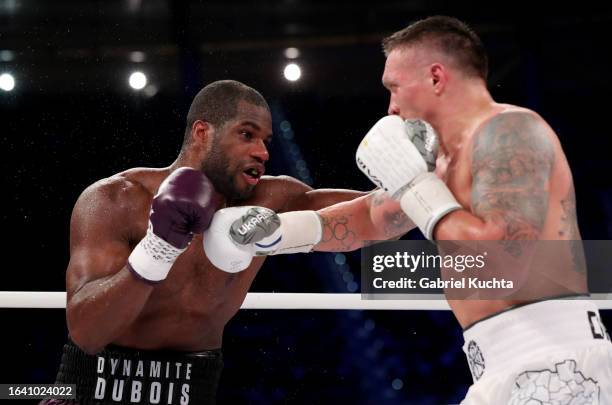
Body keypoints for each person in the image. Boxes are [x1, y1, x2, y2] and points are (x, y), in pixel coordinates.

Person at [208, 16, 612, 404]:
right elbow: (368, 218)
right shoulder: (438, 164)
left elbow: (503, 264)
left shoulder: (510, 134)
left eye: (395, 87)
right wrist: (276, 232)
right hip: (499, 367)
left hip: (558, 367)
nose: (391, 108)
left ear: (436, 78)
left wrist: (418, 189)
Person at [41, 80, 375, 405]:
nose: (262, 152)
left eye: (266, 141)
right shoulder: (117, 199)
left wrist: (417, 179)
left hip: (192, 390)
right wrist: (158, 248)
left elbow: (375, 219)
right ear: (203, 133)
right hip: (93, 388)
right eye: (247, 134)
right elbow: (86, 333)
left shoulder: (271, 201)